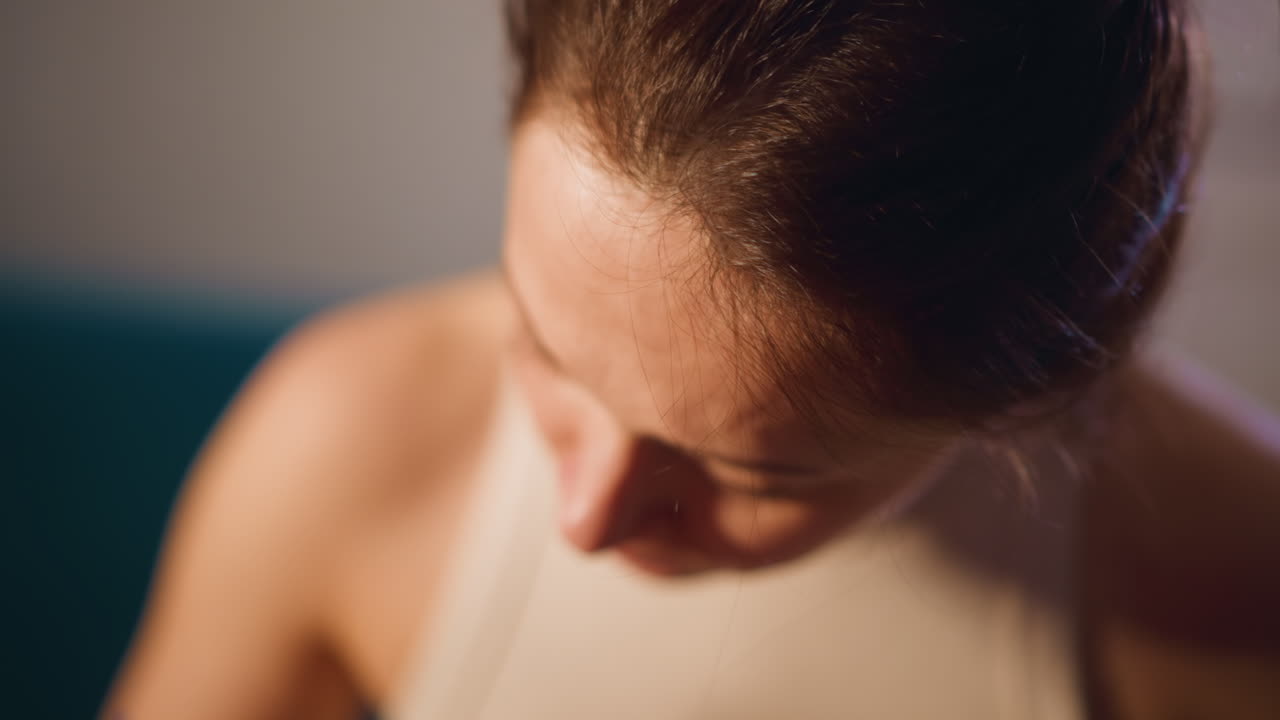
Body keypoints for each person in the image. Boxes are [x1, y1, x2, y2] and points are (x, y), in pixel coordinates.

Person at [102, 1, 1280, 718]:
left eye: (759, 475)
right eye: (544, 344)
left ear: (1026, 394)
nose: (587, 517)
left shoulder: (1236, 588)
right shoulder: (341, 441)